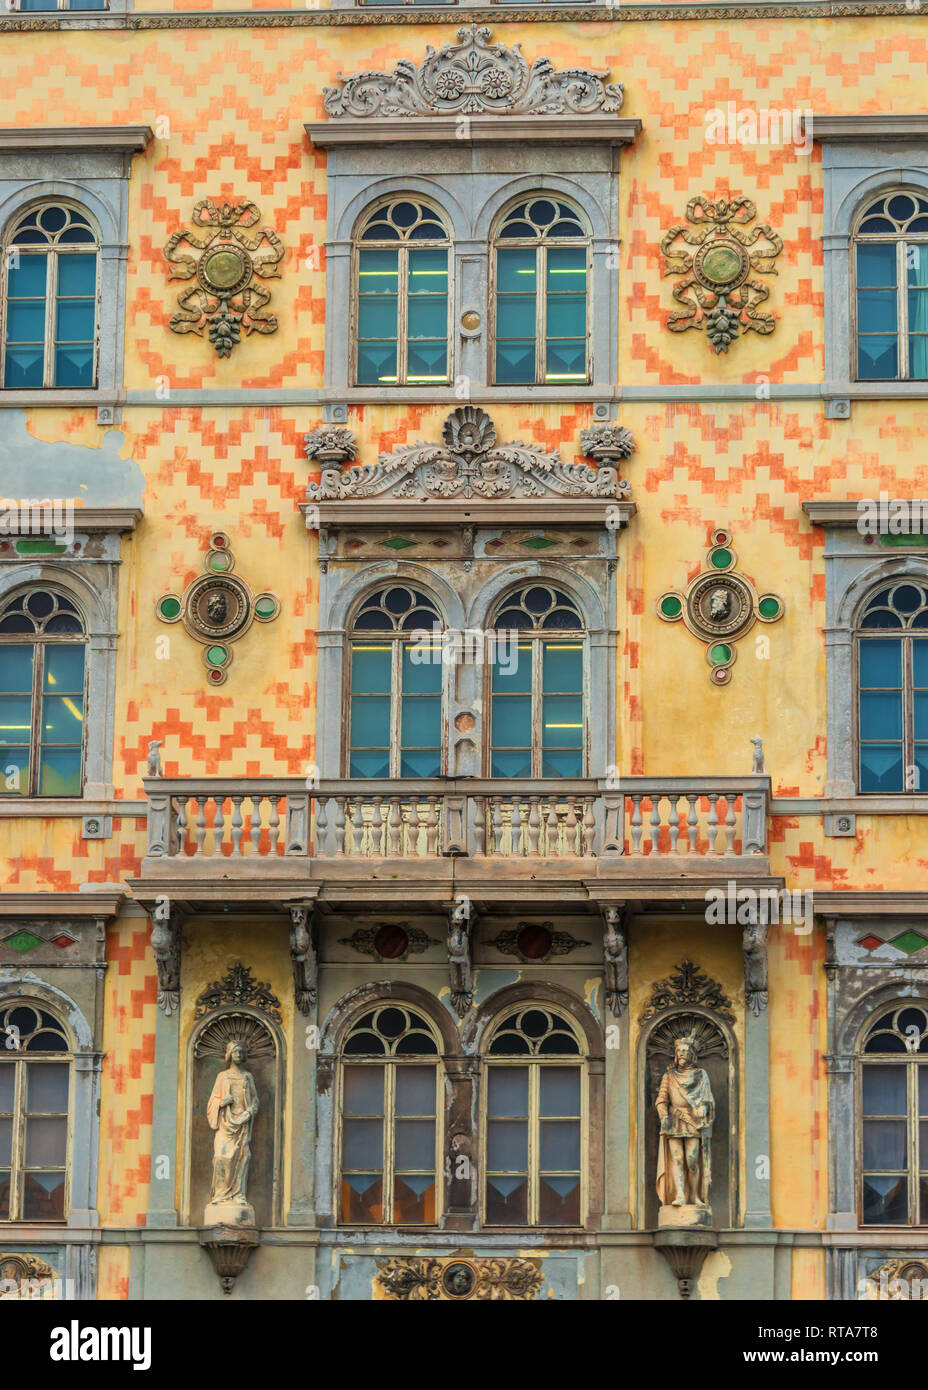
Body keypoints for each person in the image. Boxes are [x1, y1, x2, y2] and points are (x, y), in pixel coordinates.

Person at [655, 1033, 714, 1209]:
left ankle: (694, 1195)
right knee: (677, 1159)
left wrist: (703, 1109)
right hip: (674, 1120)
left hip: (693, 1121)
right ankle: (680, 1194)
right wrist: (663, 1115)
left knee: (692, 1159)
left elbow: (708, 1100)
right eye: (678, 1050)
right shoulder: (669, 1076)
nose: (681, 1053)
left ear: (691, 1054)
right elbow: (661, 1099)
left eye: (684, 1050)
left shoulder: (701, 1076)